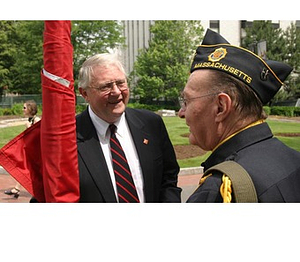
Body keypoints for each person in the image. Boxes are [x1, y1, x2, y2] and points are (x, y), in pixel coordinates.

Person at [178, 28, 300, 203]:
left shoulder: (220, 189)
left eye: (187, 101)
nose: (181, 113)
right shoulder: (293, 158)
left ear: (221, 107)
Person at [76, 51, 181, 202]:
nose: (117, 92)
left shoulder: (151, 124)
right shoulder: (68, 138)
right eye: (106, 86)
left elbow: (169, 177)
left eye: (120, 83)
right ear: (84, 93)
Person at [4, 100, 40, 198]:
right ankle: (17, 189)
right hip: (31, 151)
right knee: (26, 169)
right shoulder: (30, 119)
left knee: (28, 169)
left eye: (24, 108)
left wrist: (29, 128)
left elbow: (38, 136)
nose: (22, 110)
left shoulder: (36, 120)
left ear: (30, 108)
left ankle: (18, 189)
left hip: (37, 152)